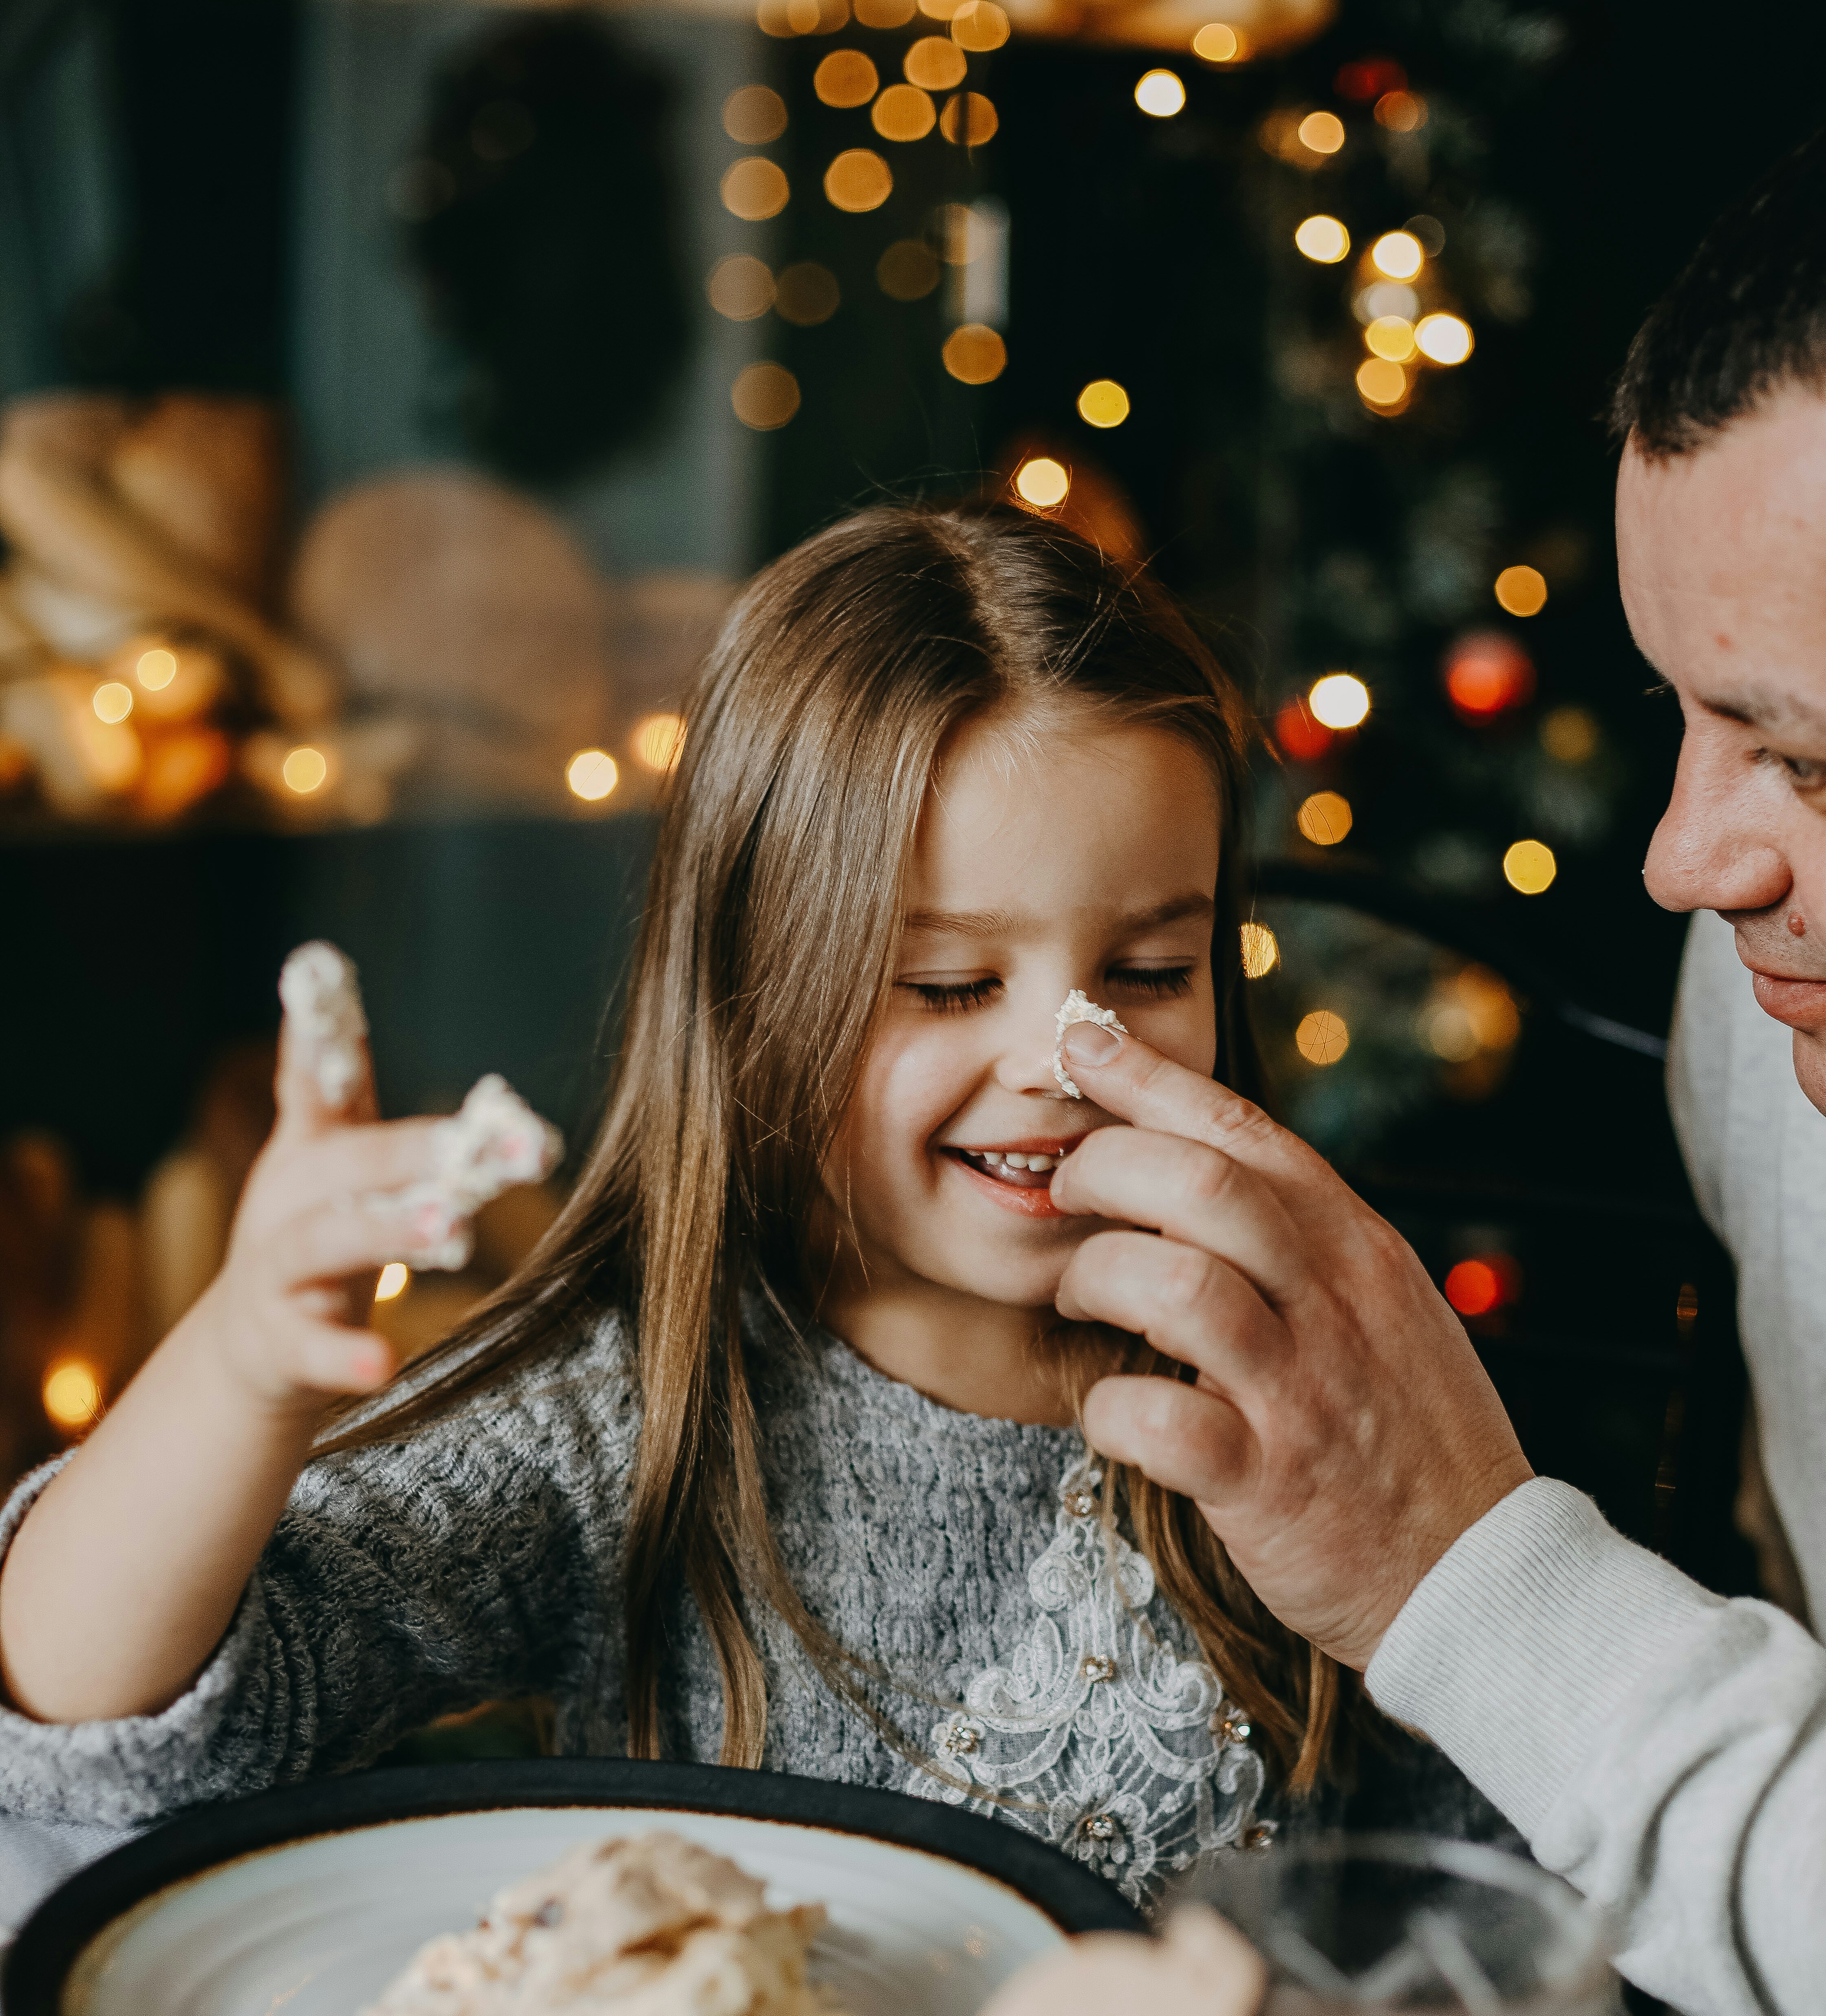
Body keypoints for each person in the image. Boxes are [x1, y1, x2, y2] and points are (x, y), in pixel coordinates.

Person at [0, 505, 1499, 1913]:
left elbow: (1503, 1874)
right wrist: (242, 1366)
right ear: (752, 990)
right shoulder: (632, 1402)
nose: (1071, 1061)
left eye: (1156, 971)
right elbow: (108, 1729)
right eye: (950, 984)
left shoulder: (1307, 1369)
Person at [1042, 131, 1826, 2016]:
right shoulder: (1766, 1004)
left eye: (1809, 762)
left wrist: (1462, 1572)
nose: (1683, 862)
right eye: (1682, 717)